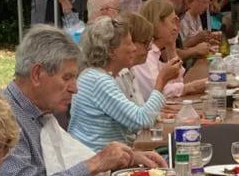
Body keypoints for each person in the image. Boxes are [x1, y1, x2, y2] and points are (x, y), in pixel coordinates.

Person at [0, 27, 161, 176]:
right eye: (67, 78)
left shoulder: (39, 110)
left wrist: (127, 158)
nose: (75, 88)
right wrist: (95, 163)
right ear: (37, 74)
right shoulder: (3, 117)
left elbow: (68, 162)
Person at [68, 17, 178, 150]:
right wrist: (161, 81)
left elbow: (131, 121)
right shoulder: (98, 81)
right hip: (100, 164)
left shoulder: (95, 76)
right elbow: (142, 120)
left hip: (105, 158)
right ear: (111, 51)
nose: (133, 49)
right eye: (129, 43)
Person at [133, 0, 206, 101]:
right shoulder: (144, 54)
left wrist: (171, 46)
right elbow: (157, 93)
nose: (176, 28)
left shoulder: (155, 52)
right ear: (157, 22)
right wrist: (193, 87)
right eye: (173, 22)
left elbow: (176, 82)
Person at [117, 11, 154, 103]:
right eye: (145, 42)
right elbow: (135, 116)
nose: (150, 48)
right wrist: (162, 79)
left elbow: (139, 108)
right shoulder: (117, 75)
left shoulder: (130, 70)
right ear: (129, 42)